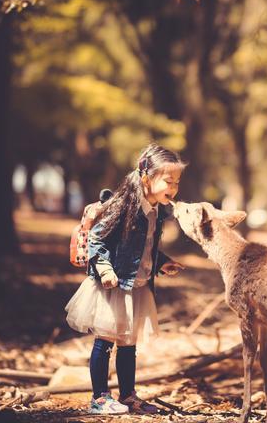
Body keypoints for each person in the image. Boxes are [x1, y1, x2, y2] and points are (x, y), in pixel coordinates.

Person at [65, 142, 187, 414]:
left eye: (177, 182)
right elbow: (98, 240)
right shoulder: (124, 204)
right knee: (105, 340)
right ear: (146, 177)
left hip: (137, 285)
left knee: (128, 344)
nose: (174, 187)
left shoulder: (157, 209)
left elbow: (144, 247)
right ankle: (99, 397)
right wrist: (105, 269)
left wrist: (162, 263)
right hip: (114, 284)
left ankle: (128, 395)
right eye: (168, 181)